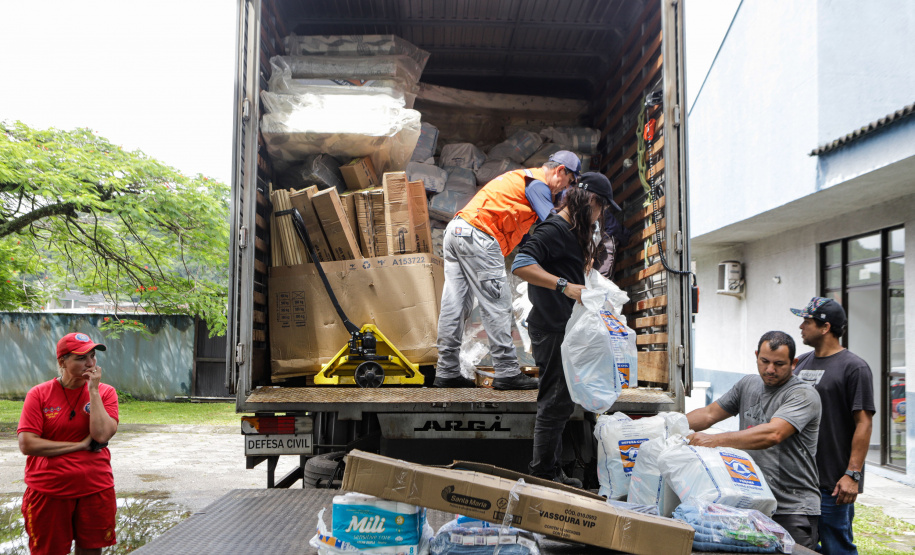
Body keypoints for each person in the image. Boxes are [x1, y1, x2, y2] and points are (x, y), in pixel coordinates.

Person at [433, 151, 582, 390]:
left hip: (457, 231)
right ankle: (507, 371)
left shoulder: (523, 183)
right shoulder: (538, 185)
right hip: (479, 235)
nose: (566, 188)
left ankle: (446, 371)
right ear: (560, 171)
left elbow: (525, 237)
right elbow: (552, 224)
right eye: (570, 181)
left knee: (455, 306)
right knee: (498, 304)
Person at [511, 172, 618, 487]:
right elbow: (521, 264)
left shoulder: (573, 230)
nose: (601, 216)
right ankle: (543, 475)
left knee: (560, 404)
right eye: (601, 208)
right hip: (552, 328)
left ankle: (550, 471)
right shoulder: (554, 228)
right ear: (592, 201)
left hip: (565, 327)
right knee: (554, 403)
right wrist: (564, 286)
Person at [686, 331, 822, 550]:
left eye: (779, 364)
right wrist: (668, 425)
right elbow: (710, 414)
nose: (770, 369)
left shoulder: (803, 395)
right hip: (752, 503)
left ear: (794, 363)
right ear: (757, 355)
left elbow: (773, 434)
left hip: (792, 508)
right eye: (764, 361)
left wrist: (713, 440)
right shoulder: (748, 384)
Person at [17, 332, 120, 555]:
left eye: (93, 356)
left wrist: (93, 391)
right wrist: (79, 446)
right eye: (82, 357)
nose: (91, 363)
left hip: (95, 488)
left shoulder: (105, 392)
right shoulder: (39, 394)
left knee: (91, 551)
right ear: (62, 361)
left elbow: (101, 435)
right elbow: (27, 444)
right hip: (48, 491)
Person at [791, 297, 875, 555]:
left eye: (807, 321)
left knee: (836, 547)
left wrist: (853, 474)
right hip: (799, 479)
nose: (801, 327)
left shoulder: (854, 367)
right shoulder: (802, 362)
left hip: (833, 484)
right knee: (802, 547)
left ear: (825, 327)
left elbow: (864, 423)